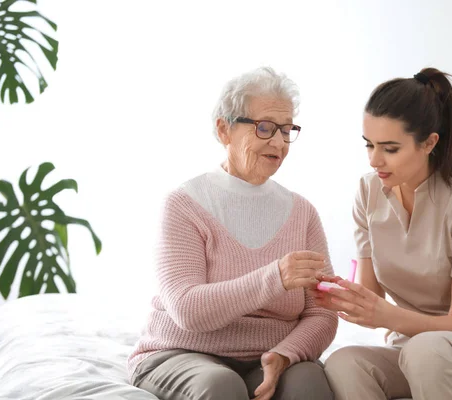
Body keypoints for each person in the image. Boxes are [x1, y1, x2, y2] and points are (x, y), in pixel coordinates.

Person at [314, 68, 452, 400]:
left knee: (426, 352)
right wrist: (340, 295)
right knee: (345, 363)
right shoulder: (368, 191)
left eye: (390, 148)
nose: (374, 160)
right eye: (369, 145)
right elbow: (370, 294)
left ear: (429, 143)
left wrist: (387, 316)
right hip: (413, 349)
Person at [128, 67, 338, 400]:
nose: (280, 142)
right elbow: (187, 310)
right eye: (265, 127)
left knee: (309, 381)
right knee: (222, 386)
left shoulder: (302, 213)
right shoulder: (184, 205)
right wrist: (276, 276)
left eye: (287, 130)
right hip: (182, 352)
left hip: (268, 355)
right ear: (224, 129)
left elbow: (321, 312)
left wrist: (284, 354)